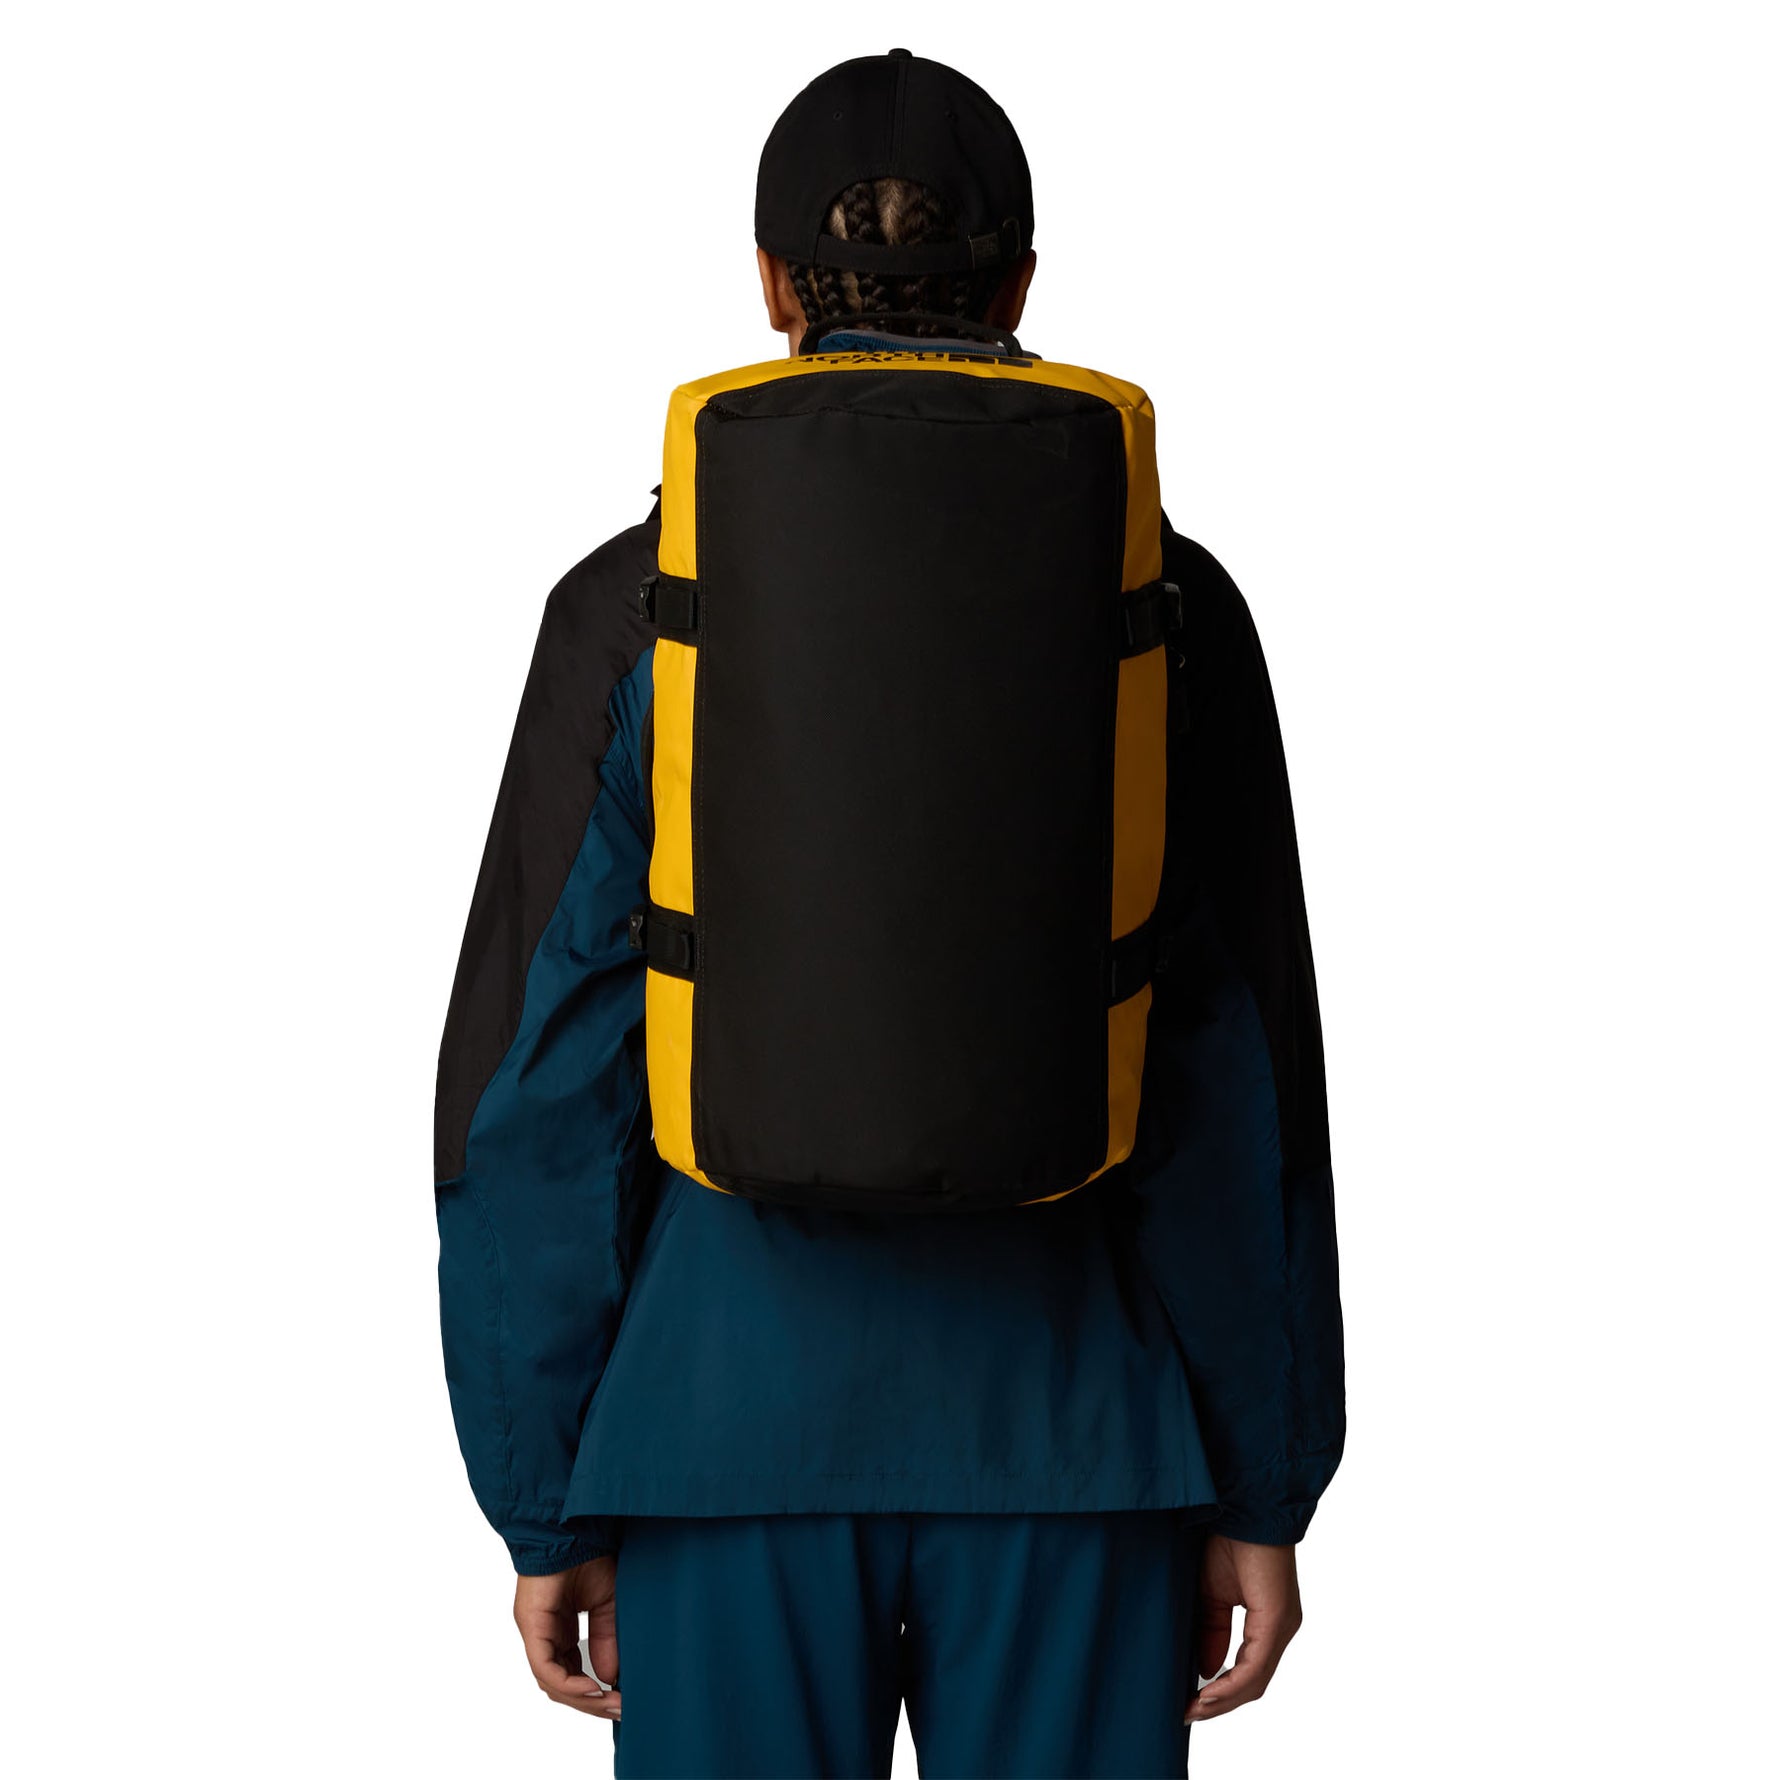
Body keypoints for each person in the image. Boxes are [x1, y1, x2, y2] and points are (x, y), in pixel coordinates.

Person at [436, 49, 1344, 1780]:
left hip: (716, 1436)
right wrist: (1261, 1478)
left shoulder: (633, 609)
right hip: (1082, 1438)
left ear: (772, 284)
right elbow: (1242, 1076)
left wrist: (543, 1493)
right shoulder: (1171, 601)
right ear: (1019, 285)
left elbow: (534, 1082)